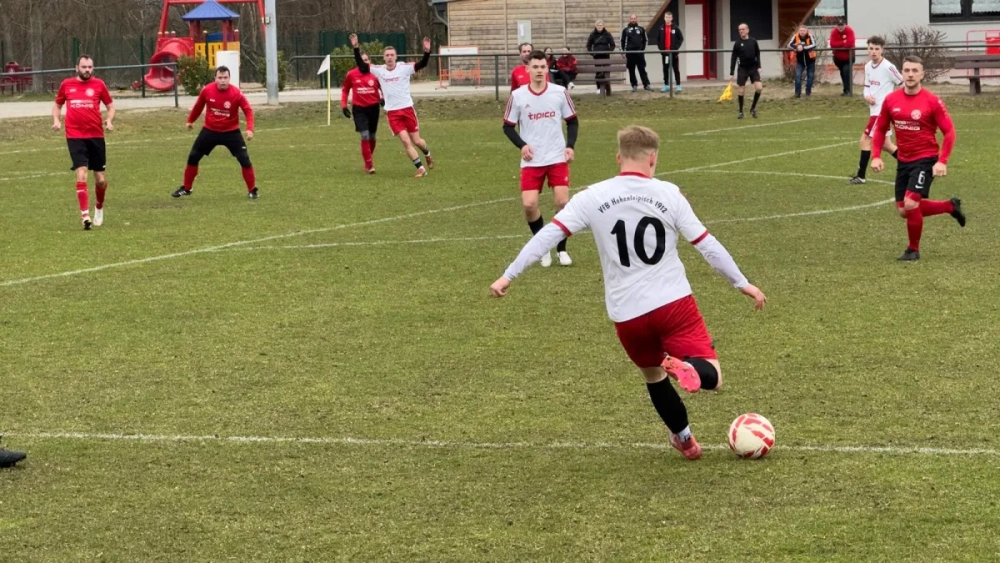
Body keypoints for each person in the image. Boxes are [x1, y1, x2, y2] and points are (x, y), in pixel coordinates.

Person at [490, 125, 767, 461]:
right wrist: (742, 283)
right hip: (673, 304)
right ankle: (688, 367)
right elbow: (706, 244)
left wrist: (508, 275)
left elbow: (547, 236)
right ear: (653, 159)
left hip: (627, 313)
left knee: (654, 375)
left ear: (618, 158)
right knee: (714, 376)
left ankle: (685, 440)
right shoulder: (669, 194)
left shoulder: (592, 197)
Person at [870, 56, 966, 261]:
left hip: (926, 158)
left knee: (911, 204)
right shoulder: (891, 99)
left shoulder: (932, 101)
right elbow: (880, 129)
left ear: (922, 74)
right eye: (907, 70)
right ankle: (949, 206)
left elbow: (949, 132)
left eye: (915, 71)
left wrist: (942, 161)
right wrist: (876, 156)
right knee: (903, 210)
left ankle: (913, 250)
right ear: (902, 73)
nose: (910, 74)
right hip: (904, 160)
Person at [503, 50, 579, 267]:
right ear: (527, 69)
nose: (539, 71)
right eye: (535, 67)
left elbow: (572, 121)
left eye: (542, 67)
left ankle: (561, 249)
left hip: (556, 156)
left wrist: (570, 146)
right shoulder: (518, 96)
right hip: (532, 160)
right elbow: (507, 127)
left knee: (563, 202)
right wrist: (522, 145)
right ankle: (543, 246)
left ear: (547, 68)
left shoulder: (560, 92)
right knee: (529, 205)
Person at [352, 34, 434, 178]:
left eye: (392, 55)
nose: (389, 57)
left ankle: (427, 153)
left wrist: (427, 52)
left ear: (396, 57)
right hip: (393, 113)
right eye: (387, 55)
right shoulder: (380, 70)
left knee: (417, 141)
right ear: (383, 58)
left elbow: (422, 64)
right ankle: (420, 168)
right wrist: (356, 48)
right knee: (405, 141)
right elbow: (362, 65)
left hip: (407, 109)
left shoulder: (404, 68)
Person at [173, 66, 257, 199]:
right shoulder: (207, 90)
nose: (223, 80)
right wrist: (190, 120)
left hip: (231, 132)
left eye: (225, 78)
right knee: (193, 157)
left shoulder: (236, 93)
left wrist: (250, 128)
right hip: (210, 131)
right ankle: (187, 188)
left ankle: (252, 190)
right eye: (220, 77)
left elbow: (248, 110)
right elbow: (198, 106)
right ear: (215, 78)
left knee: (244, 159)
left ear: (229, 79)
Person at [52, 55, 115, 230]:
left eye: (90, 67)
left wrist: (109, 120)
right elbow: (57, 105)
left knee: (100, 180)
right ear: (77, 68)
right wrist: (56, 120)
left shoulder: (99, 85)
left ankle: (99, 207)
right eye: (84, 67)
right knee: (81, 173)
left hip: (96, 136)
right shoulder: (67, 84)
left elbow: (110, 106)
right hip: (74, 136)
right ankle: (85, 216)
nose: (87, 70)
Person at [849, 35, 902, 185]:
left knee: (865, 140)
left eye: (876, 49)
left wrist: (895, 102)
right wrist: (867, 96)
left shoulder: (888, 67)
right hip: (874, 110)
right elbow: (867, 87)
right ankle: (914, 165)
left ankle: (861, 176)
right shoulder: (867, 66)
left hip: (881, 112)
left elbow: (903, 83)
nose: (873, 51)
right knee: (886, 145)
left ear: (882, 50)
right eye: (871, 48)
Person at [342, 51, 384, 174]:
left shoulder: (376, 74)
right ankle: (369, 164)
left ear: (370, 61)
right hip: (359, 109)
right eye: (362, 60)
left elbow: (384, 88)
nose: (364, 62)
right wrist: (344, 105)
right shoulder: (351, 74)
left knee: (372, 136)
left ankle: (368, 160)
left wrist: (383, 98)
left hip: (374, 108)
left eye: (366, 60)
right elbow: (345, 90)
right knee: (364, 135)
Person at [729, 23, 762, 119]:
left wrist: (759, 66)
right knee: (741, 90)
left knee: (759, 88)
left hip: (753, 68)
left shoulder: (753, 41)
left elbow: (757, 54)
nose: (741, 31)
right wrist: (731, 72)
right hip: (742, 68)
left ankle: (753, 108)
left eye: (743, 29)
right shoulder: (737, 43)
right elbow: (733, 58)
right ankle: (740, 112)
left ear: (747, 30)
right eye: (739, 30)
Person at [621, 13, 652, 92]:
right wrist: (623, 52)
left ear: (636, 19)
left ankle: (646, 85)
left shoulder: (641, 29)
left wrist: (643, 50)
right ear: (630, 19)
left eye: (634, 18)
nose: (633, 20)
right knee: (631, 70)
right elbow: (622, 41)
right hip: (630, 53)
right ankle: (634, 85)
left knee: (642, 69)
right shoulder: (625, 30)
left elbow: (645, 40)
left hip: (639, 53)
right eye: (632, 18)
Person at [655, 11, 684, 93]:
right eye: (666, 17)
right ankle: (666, 85)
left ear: (672, 18)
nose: (667, 19)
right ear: (664, 18)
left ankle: (678, 85)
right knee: (665, 69)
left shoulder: (675, 28)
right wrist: (661, 48)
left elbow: (681, 38)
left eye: (669, 17)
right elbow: (658, 39)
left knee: (676, 69)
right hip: (665, 54)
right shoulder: (661, 28)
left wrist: (676, 47)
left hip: (673, 53)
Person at [586, 20, 616, 95]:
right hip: (597, 56)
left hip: (605, 56)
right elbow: (588, 45)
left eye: (601, 25)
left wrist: (608, 51)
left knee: (606, 72)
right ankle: (599, 88)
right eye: (598, 25)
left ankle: (607, 89)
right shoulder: (592, 35)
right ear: (596, 26)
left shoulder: (607, 34)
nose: (599, 26)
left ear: (603, 26)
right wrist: (592, 53)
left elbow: (612, 45)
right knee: (598, 72)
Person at [787, 25, 817, 98]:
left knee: (810, 76)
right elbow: (789, 45)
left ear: (806, 31)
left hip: (810, 60)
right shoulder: (795, 36)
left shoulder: (810, 36)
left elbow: (814, 45)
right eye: (801, 30)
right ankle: (797, 93)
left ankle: (808, 92)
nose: (802, 32)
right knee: (798, 76)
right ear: (799, 31)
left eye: (804, 30)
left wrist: (804, 48)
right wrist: (797, 47)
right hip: (800, 61)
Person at [829, 19, 856, 96]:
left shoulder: (849, 31)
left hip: (848, 57)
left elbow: (849, 44)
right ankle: (846, 90)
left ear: (845, 25)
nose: (840, 27)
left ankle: (848, 90)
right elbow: (832, 44)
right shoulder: (834, 32)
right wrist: (843, 42)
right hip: (838, 58)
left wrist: (839, 45)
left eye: (842, 25)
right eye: (839, 25)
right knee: (843, 73)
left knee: (846, 72)